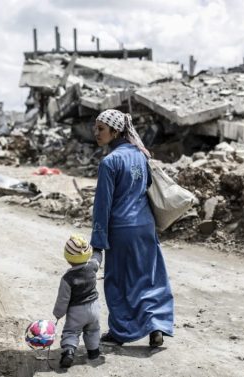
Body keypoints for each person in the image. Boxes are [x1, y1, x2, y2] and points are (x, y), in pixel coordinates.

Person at [91, 109, 174, 348]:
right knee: (150, 278)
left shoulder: (109, 162)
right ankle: (156, 325)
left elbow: (102, 205)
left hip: (121, 229)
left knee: (118, 281)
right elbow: (146, 186)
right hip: (145, 227)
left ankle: (121, 331)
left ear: (116, 131)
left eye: (102, 129)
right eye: (95, 128)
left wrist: (98, 241)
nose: (97, 133)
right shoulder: (141, 155)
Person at [53, 234, 102, 368]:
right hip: (94, 308)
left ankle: (69, 351)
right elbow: (97, 259)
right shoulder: (92, 266)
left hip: (76, 312)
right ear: (88, 254)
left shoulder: (67, 278)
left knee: (71, 332)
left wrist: (58, 314)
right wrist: (98, 250)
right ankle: (93, 352)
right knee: (93, 330)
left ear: (68, 258)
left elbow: (63, 300)